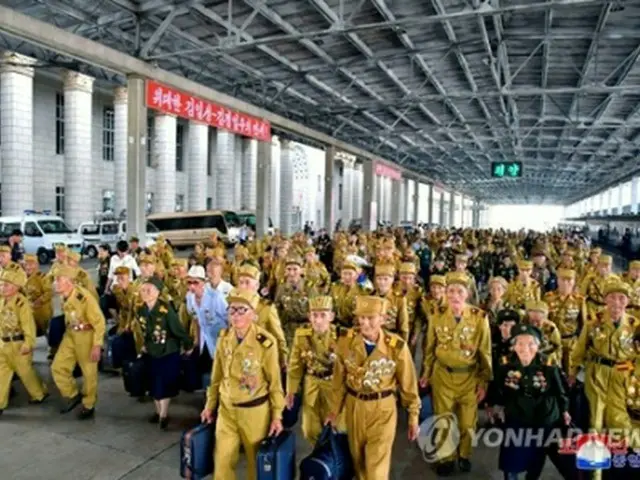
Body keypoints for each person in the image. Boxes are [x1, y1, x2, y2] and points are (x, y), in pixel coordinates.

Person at [327, 296, 420, 480]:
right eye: (361, 318)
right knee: (359, 463)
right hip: (354, 407)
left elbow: (408, 385)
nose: (365, 323)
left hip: (382, 410)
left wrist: (413, 416)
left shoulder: (396, 347)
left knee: (376, 469)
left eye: (370, 318)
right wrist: (334, 411)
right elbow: (339, 380)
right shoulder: (346, 342)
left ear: (383, 319)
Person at [200, 288, 284, 480]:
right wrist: (209, 405)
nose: (236, 315)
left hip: (254, 413)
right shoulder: (224, 339)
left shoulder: (265, 343)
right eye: (232, 309)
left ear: (253, 315)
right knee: (222, 460)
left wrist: (277, 416)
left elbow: (275, 383)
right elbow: (216, 377)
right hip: (227, 410)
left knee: (256, 464)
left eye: (242, 310)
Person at [420, 271, 492, 475]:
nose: (454, 295)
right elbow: (430, 347)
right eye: (450, 291)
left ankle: (464, 454)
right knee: (443, 419)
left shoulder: (479, 318)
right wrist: (426, 372)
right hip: (442, 375)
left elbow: (485, 352)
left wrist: (484, 382)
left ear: (467, 293)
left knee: (468, 422)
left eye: (459, 291)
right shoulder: (436, 314)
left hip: (469, 377)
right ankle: (446, 458)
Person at [488, 324, 571, 479]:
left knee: (537, 455)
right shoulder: (505, 364)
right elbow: (497, 387)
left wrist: (565, 410)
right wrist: (494, 406)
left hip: (543, 415)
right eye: (520, 343)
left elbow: (560, 391)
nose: (525, 348)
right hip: (516, 413)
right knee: (512, 455)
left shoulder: (548, 364)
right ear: (514, 346)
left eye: (530, 344)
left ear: (538, 346)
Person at [137, 276, 194, 430]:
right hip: (151, 351)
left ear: (157, 292)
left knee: (164, 383)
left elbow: (178, 329)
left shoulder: (165, 310)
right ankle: (158, 412)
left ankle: (163, 415)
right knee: (153, 383)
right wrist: (142, 346)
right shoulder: (141, 309)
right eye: (143, 289)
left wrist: (188, 345)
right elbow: (143, 332)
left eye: (149, 290)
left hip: (167, 351)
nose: (145, 292)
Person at [287, 295, 345, 444]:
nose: (318, 320)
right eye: (314, 315)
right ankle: (319, 456)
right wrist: (291, 390)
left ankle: (334, 460)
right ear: (309, 316)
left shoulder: (342, 336)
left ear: (331, 316)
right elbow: (295, 365)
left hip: (333, 386)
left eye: (323, 315)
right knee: (309, 430)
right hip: (311, 384)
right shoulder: (302, 336)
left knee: (335, 427)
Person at [51, 265, 106, 420]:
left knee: (89, 374)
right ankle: (72, 394)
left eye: (58, 280)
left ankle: (89, 404)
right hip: (71, 335)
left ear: (69, 282)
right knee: (58, 366)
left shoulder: (84, 297)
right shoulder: (64, 296)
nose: (55, 283)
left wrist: (97, 345)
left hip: (86, 336)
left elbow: (99, 322)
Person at [0, 262, 48, 413]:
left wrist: (29, 343)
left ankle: (39, 394)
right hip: (3, 344)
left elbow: (29, 326)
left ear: (15, 287)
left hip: (19, 344)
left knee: (25, 372)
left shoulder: (21, 303)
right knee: (1, 374)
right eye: (1, 284)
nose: (2, 287)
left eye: (6, 285)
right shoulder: (1, 300)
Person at [182, 265, 228, 385]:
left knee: (222, 369)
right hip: (205, 339)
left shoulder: (215, 297)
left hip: (221, 339)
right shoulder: (190, 298)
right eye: (189, 282)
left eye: (196, 282)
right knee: (207, 370)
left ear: (204, 282)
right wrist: (196, 341)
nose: (192, 286)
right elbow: (196, 319)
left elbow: (229, 318)